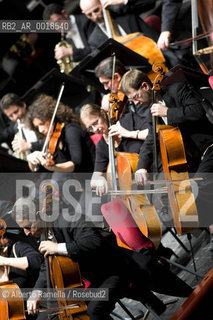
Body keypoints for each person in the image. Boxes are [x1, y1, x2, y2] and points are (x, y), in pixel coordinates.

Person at [11, 196, 193, 319]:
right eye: (23, 229)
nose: (26, 233)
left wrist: (58, 247)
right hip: (97, 278)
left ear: (38, 215)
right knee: (76, 312)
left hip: (115, 269)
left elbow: (93, 242)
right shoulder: (43, 233)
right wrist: (35, 293)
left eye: (28, 226)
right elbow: (46, 266)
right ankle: (150, 300)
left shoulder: (67, 217)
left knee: (94, 311)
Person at [119, 68, 213, 185]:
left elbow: (198, 111)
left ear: (145, 86)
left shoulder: (176, 90)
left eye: (136, 96)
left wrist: (168, 112)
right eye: (132, 100)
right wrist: (141, 167)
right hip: (191, 159)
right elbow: (151, 140)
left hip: (208, 146)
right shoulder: (151, 112)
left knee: (200, 187)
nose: (136, 102)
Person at [80, 103, 149, 196]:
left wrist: (129, 133)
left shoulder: (127, 120)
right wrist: (99, 181)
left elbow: (153, 133)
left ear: (103, 114)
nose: (95, 129)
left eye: (95, 123)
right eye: (90, 128)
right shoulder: (102, 145)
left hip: (150, 173)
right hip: (131, 192)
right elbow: (94, 179)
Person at [26, 94, 95, 175]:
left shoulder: (71, 130)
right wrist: (31, 160)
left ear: (51, 117)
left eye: (42, 123)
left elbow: (76, 164)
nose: (40, 130)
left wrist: (54, 167)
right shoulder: (51, 139)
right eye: (37, 127)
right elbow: (38, 170)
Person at [79, 0, 159, 51]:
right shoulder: (94, 41)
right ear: (84, 14)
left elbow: (150, 3)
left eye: (96, 10)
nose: (95, 16)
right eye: (89, 15)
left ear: (102, 3)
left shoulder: (123, 11)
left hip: (157, 50)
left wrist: (124, 1)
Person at [0, 93, 42, 160]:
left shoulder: (39, 116)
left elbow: (50, 141)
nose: (15, 117)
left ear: (23, 104)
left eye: (16, 112)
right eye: (10, 116)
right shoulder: (16, 128)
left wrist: (29, 145)